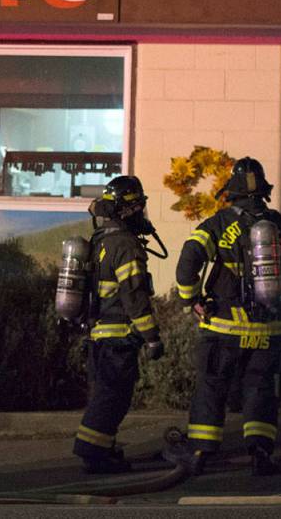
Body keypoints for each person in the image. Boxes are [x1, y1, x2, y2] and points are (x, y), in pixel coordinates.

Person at [168, 157, 281, 476]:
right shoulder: (279, 227)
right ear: (262, 192)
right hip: (269, 331)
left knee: (212, 388)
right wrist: (274, 286)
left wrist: (191, 299)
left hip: (223, 330)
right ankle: (260, 453)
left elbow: (188, 261)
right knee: (260, 389)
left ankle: (201, 452)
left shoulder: (217, 224)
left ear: (231, 193)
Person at [71, 176, 164, 474]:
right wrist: (152, 337)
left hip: (98, 336)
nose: (142, 215)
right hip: (118, 338)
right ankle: (93, 453)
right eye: (138, 208)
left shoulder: (101, 241)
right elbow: (134, 297)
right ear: (126, 211)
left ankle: (103, 449)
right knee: (114, 398)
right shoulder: (126, 246)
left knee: (104, 395)